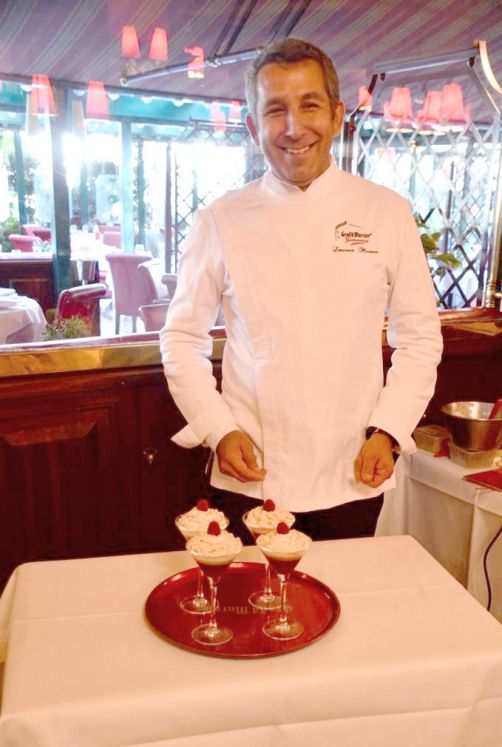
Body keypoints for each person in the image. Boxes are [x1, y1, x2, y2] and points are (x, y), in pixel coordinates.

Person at [160, 38, 443, 542]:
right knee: (252, 592)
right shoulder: (221, 220)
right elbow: (182, 339)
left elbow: (419, 338)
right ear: (253, 127)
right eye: (275, 110)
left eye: (309, 105)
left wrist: (390, 430)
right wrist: (218, 428)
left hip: (354, 467)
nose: (293, 128)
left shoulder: (386, 212)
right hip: (252, 467)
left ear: (336, 116)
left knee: (346, 591)